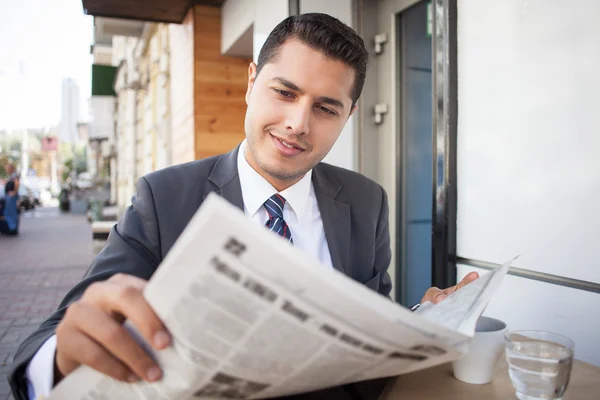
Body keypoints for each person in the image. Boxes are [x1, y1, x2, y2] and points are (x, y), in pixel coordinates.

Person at [9, 13, 478, 399]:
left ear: (349, 116)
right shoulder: (163, 198)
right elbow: (51, 338)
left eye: (325, 108)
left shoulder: (366, 201)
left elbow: (370, 323)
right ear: (252, 81)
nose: (297, 123)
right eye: (285, 92)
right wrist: (63, 357)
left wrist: (421, 321)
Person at [1, 165, 20, 235]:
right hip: (9, 196)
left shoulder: (14, 175)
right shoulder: (11, 175)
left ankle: (12, 228)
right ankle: (11, 228)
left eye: (7, 169)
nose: (6, 170)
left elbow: (17, 183)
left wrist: (14, 192)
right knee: (8, 212)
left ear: (11, 169)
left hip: (11, 197)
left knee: (10, 212)